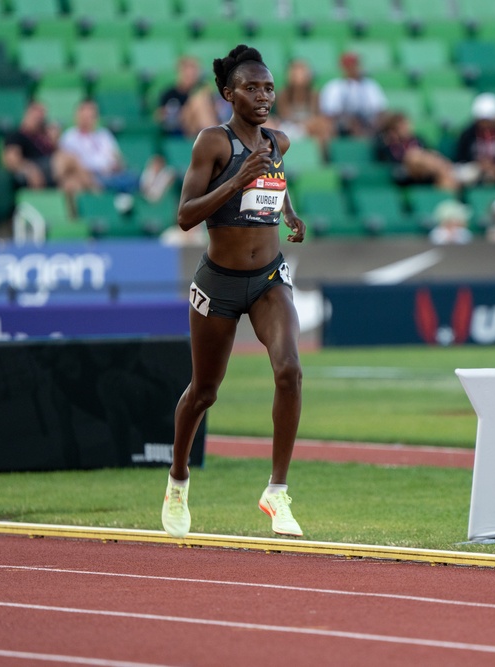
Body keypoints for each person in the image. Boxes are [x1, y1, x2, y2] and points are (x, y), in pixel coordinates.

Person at [161, 45, 307, 540]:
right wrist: (237, 180)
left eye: (268, 87)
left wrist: (288, 214)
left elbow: (275, 182)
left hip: (268, 277)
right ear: (229, 94)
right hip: (218, 284)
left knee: (289, 369)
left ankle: (277, 492)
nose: (263, 96)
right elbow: (184, 217)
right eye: (251, 88)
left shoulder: (279, 141)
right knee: (204, 392)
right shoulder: (213, 143)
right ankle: (178, 479)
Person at [60, 99, 169, 198]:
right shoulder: (70, 137)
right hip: (91, 174)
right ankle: (145, 186)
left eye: (91, 116)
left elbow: (117, 156)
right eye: (85, 117)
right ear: (77, 116)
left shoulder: (104, 135)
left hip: (112, 173)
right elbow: (71, 164)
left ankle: (145, 183)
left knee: (130, 175)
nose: (88, 120)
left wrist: (118, 165)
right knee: (108, 182)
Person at [2, 101, 96, 196]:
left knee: (74, 183)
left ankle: (84, 207)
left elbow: (57, 152)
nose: (39, 116)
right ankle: (97, 190)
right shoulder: (16, 134)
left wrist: (54, 141)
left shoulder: (42, 138)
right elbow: (11, 159)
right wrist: (29, 170)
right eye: (36, 111)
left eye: (42, 113)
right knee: (70, 158)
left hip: (52, 171)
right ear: (27, 112)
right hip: (35, 168)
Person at [375, 111, 464, 192]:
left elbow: (430, 151)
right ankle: (452, 170)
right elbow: (390, 162)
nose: (406, 128)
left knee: (443, 177)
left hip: (427, 171)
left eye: (407, 124)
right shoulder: (389, 144)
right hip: (407, 172)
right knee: (414, 156)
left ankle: (447, 187)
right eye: (402, 126)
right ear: (394, 129)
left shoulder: (417, 139)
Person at [318, 51, 387, 137]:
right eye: (349, 65)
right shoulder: (334, 87)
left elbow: (380, 109)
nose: (353, 68)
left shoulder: (370, 85)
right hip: (341, 126)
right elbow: (330, 113)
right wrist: (349, 121)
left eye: (355, 64)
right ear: (343, 68)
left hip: (367, 124)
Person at [273, 59, 334, 155]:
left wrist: (306, 125)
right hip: (287, 127)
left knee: (324, 124)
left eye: (302, 72)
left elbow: (315, 115)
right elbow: (284, 115)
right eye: (296, 72)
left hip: (307, 127)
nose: (299, 76)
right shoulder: (283, 94)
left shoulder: (314, 95)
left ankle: (321, 158)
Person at [156, 56, 219, 138]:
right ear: (180, 72)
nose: (190, 77)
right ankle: (216, 139)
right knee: (198, 100)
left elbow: (216, 110)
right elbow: (158, 116)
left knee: (201, 100)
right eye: (187, 73)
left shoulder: (203, 91)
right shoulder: (169, 93)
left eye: (193, 73)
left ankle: (213, 138)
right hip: (179, 127)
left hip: (198, 127)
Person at [455, 93, 495, 186]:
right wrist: (479, 165)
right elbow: (460, 159)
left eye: (489, 121)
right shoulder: (468, 134)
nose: (486, 125)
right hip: (474, 170)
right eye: (483, 121)